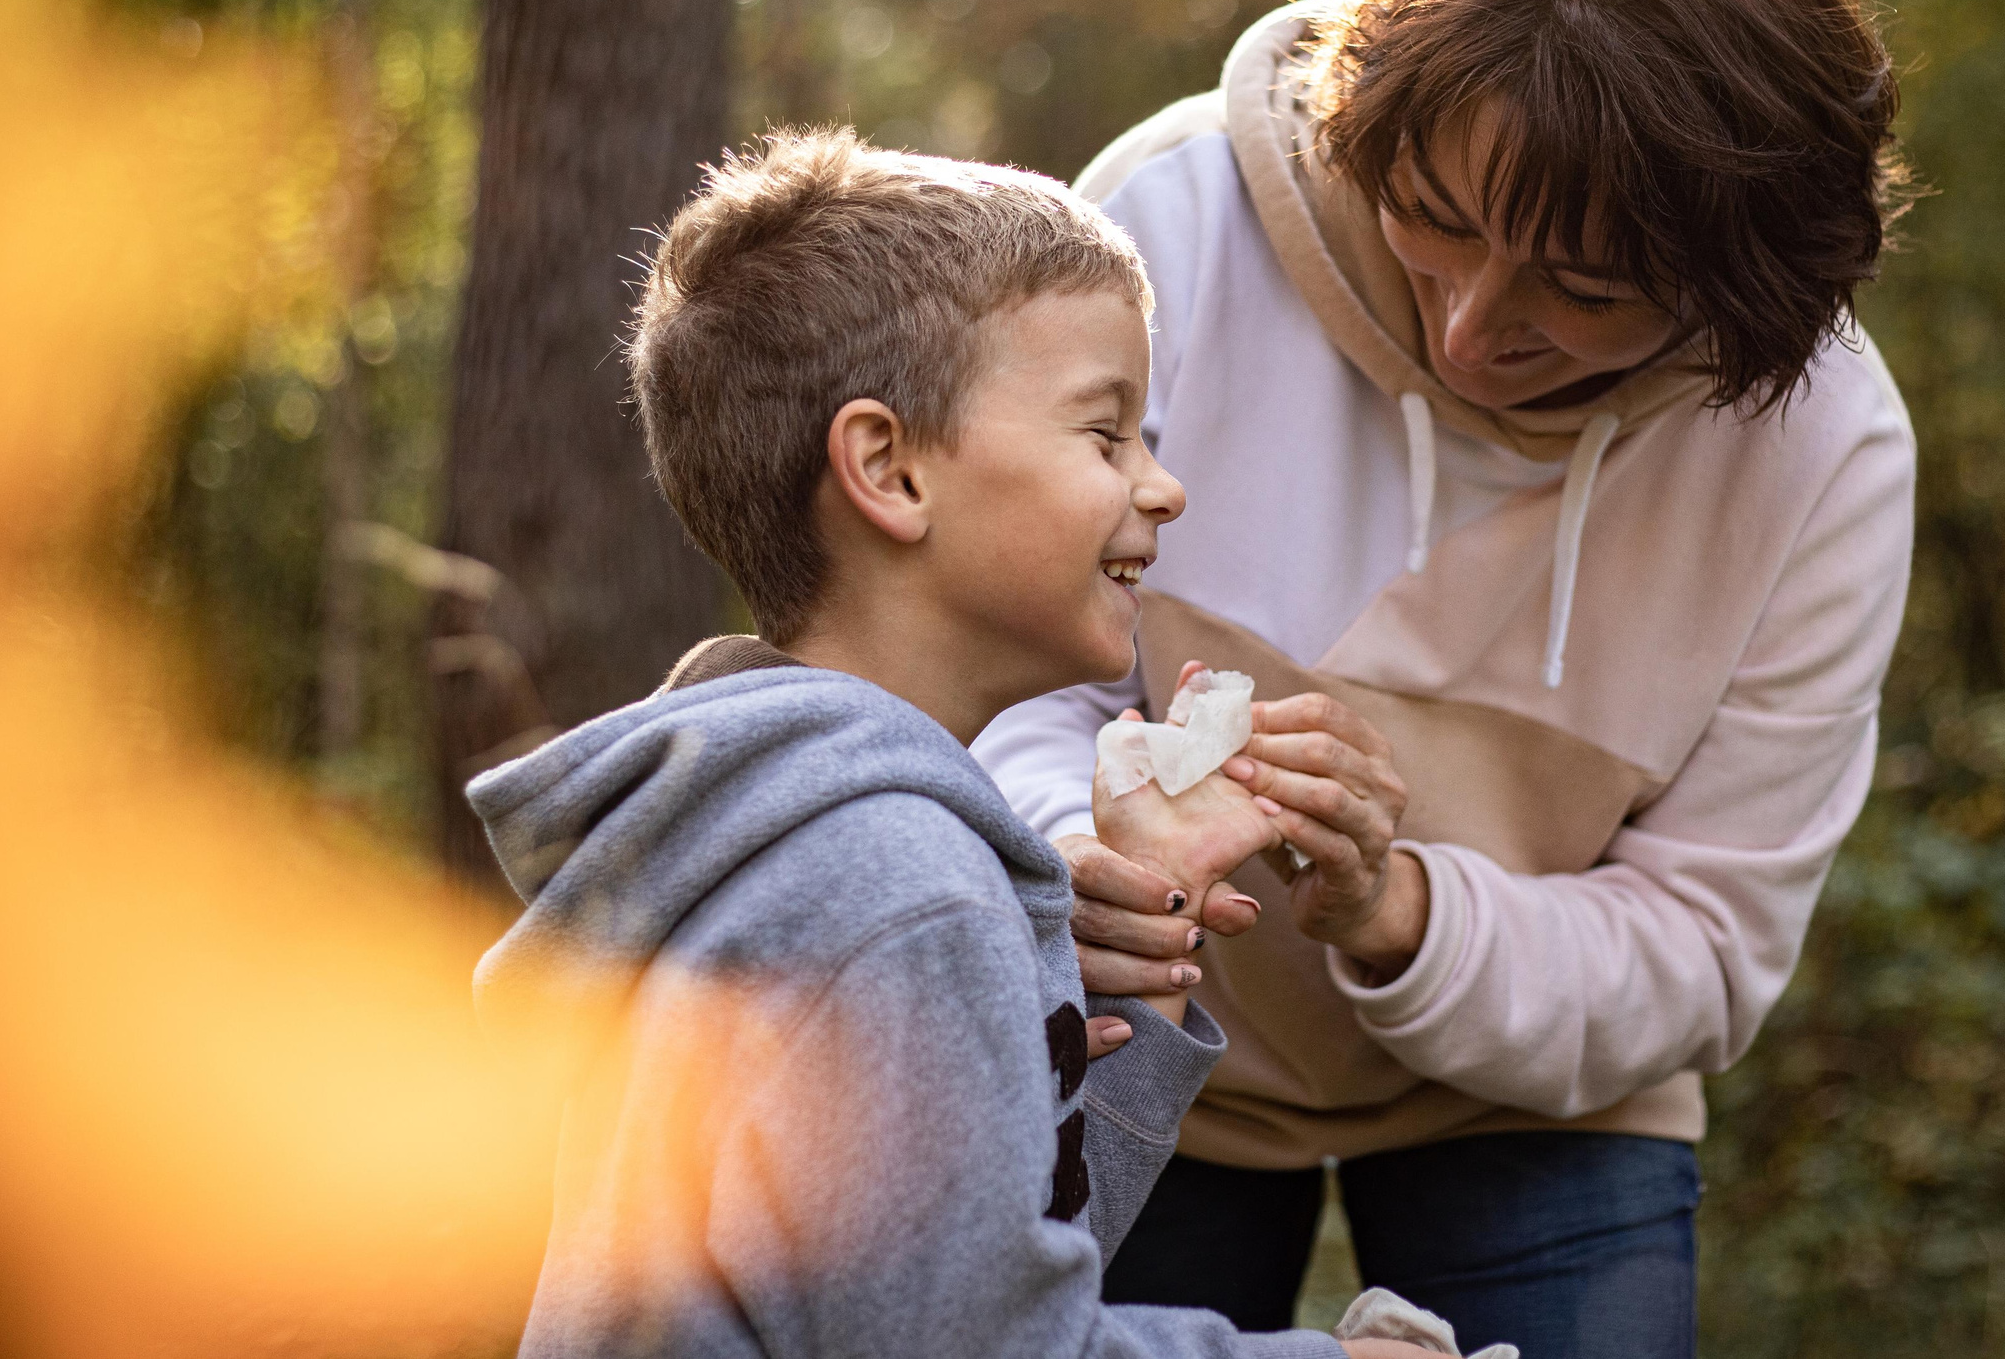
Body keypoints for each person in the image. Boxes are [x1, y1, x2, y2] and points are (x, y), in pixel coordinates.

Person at [973, 0, 1919, 1359]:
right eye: (1441, 217)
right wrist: (1075, 849)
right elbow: (1000, 659)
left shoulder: (1822, 450)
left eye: (1587, 288)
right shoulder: (1172, 225)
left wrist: (1396, 907)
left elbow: (1705, 942)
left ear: (1742, 284)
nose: (1477, 326)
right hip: (1137, 1030)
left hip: (1548, 1096)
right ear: (1378, 109)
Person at [465, 130, 1437, 1359]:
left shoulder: (776, 833)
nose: (1163, 487)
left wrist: (1140, 952)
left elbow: (961, 1281)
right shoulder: (901, 886)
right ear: (889, 470)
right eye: (1106, 434)